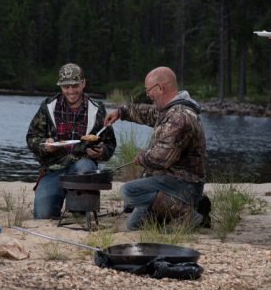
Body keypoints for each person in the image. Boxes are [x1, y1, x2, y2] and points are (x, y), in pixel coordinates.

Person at [104, 66, 208, 230]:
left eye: (148, 90)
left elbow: (161, 159)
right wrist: (120, 112)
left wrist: (143, 157)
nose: (147, 94)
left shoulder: (179, 117)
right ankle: (196, 206)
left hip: (183, 184)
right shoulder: (168, 110)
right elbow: (146, 113)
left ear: (160, 88)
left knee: (129, 191)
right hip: (167, 183)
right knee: (134, 225)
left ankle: (189, 215)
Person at [26, 63, 116, 219]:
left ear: (83, 83)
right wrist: (45, 146)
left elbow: (110, 144)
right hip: (53, 168)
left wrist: (101, 152)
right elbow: (31, 137)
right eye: (66, 86)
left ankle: (80, 208)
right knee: (43, 215)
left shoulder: (97, 109)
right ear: (61, 86)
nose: (71, 91)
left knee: (84, 167)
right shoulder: (48, 107)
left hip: (82, 166)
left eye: (75, 85)